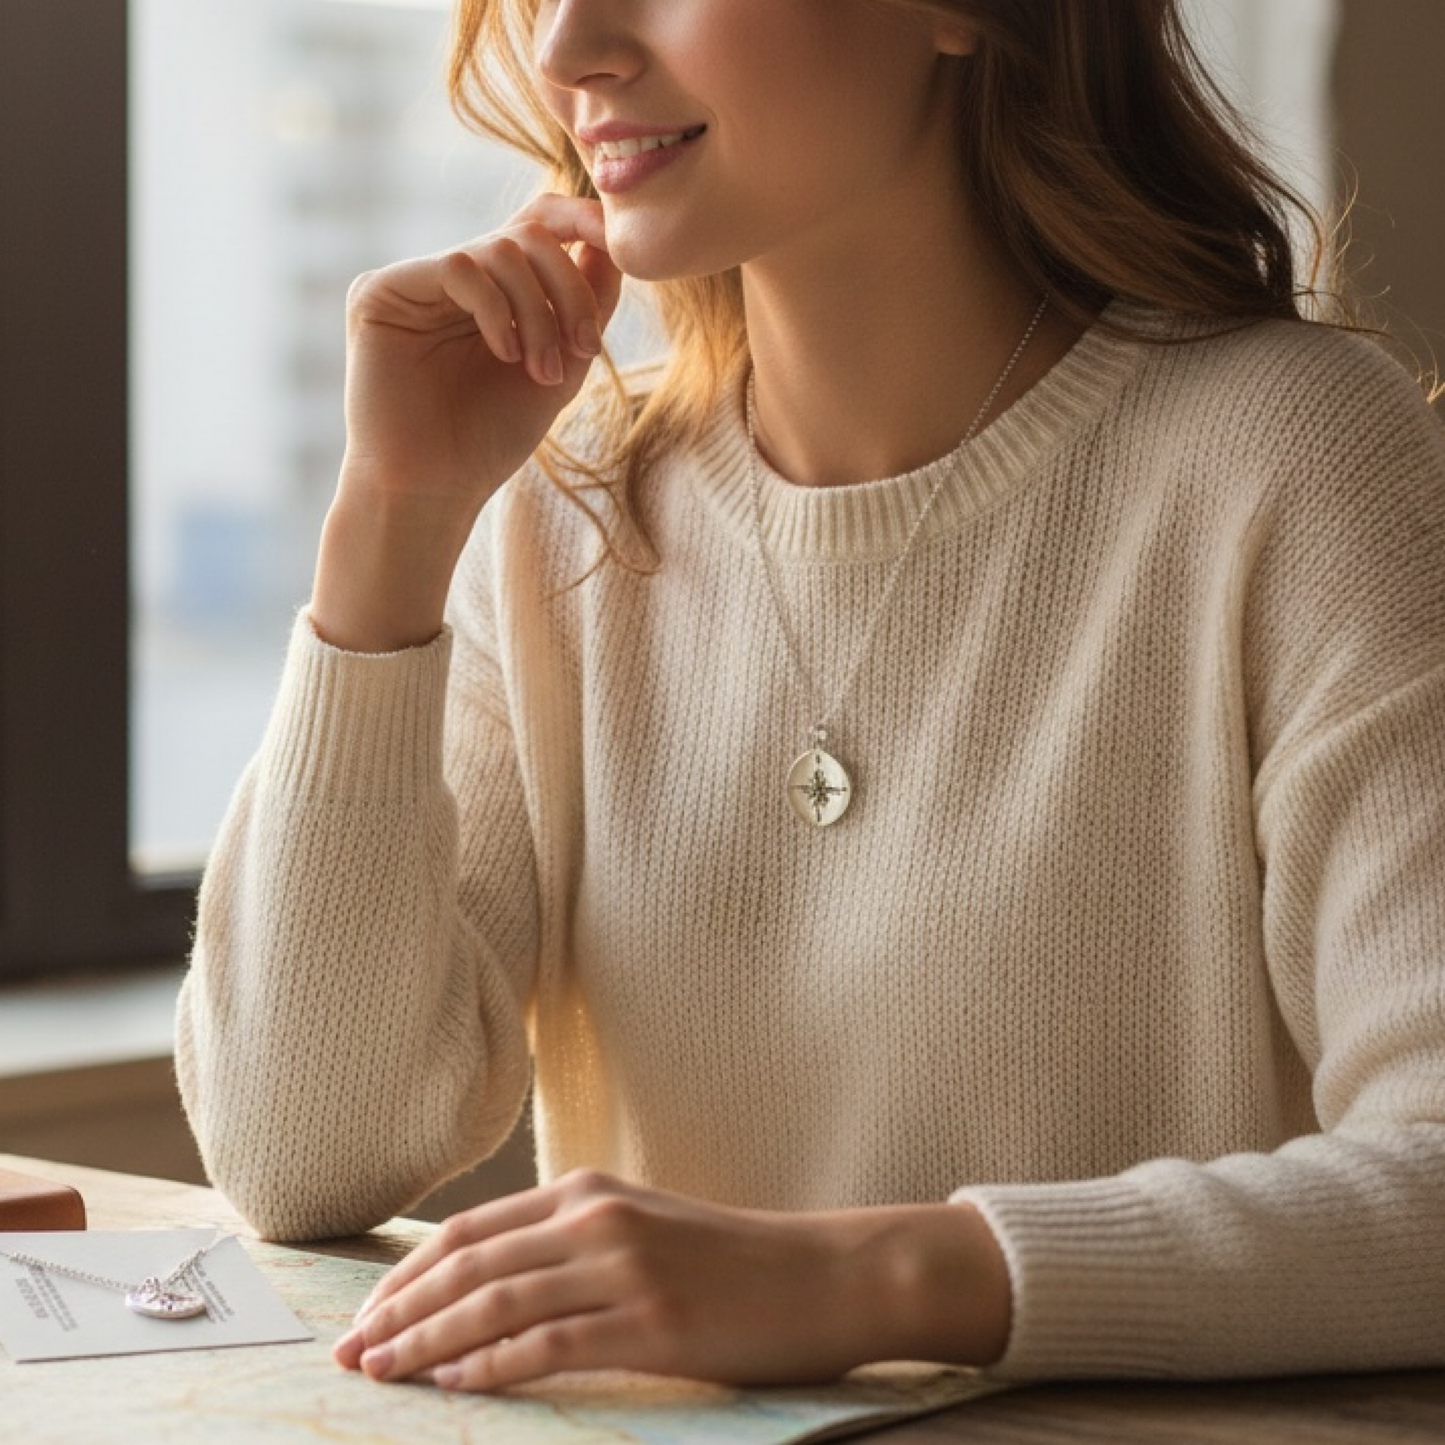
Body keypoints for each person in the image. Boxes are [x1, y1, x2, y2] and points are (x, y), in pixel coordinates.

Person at [176, 0, 1445, 1396]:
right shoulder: (562, 508)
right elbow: (301, 1154)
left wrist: (876, 1281)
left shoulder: (1298, 460)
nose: (566, 51)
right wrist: (390, 527)